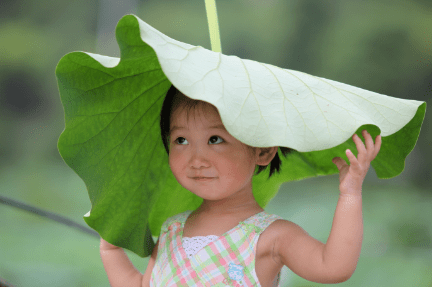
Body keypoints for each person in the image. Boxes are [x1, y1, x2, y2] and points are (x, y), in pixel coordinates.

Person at [99, 85, 382, 287]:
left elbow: (333, 267)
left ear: (262, 151)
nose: (196, 159)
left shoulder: (272, 236)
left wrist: (350, 194)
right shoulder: (171, 231)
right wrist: (110, 250)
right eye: (181, 140)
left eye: (215, 139)